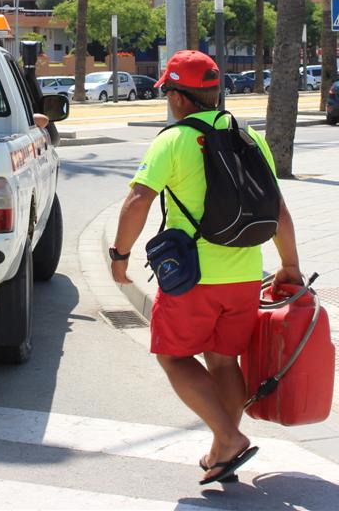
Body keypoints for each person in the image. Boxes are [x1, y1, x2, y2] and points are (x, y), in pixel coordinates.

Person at [109, 50, 303, 485]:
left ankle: (228, 439)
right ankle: (221, 451)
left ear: (179, 97)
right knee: (223, 360)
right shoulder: (249, 136)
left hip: (191, 279)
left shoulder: (173, 140)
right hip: (244, 275)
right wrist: (289, 266)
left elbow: (138, 199)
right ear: (214, 93)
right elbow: (280, 211)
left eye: (168, 93)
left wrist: (120, 257)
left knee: (173, 357)